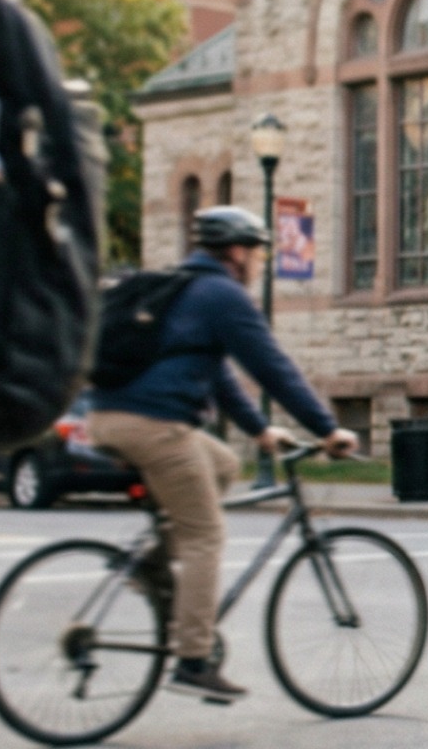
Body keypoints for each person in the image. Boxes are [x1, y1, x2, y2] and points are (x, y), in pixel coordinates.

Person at [88, 207, 360, 702]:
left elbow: (217, 375)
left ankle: (154, 562)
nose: (259, 261)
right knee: (205, 535)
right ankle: (192, 660)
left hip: (108, 416)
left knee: (224, 465)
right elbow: (272, 367)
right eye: (257, 251)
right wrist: (327, 428)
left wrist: (259, 431)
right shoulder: (222, 295)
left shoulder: (182, 287)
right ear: (236, 252)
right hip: (156, 426)